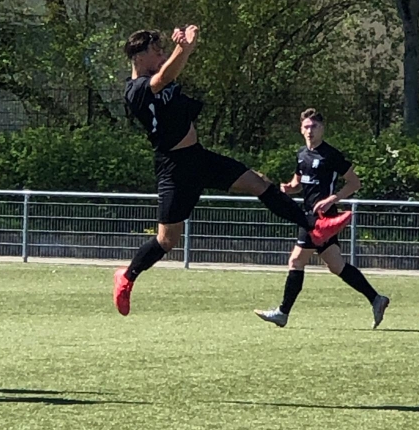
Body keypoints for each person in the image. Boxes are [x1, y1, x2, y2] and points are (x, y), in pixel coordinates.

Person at [113, 26, 351, 315]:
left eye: (163, 50)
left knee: (258, 182)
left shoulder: (159, 74)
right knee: (167, 240)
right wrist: (183, 48)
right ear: (138, 57)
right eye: (156, 51)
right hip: (174, 169)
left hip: (199, 158)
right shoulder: (135, 90)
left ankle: (314, 225)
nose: (162, 55)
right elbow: (164, 77)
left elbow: (168, 73)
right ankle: (127, 277)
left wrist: (183, 50)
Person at [253, 108, 390, 329]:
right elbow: (297, 183)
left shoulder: (331, 155)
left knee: (296, 261)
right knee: (336, 265)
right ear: (301, 129)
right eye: (306, 127)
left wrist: (332, 199)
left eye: (314, 126)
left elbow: (355, 183)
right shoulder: (301, 154)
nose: (310, 131)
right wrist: (288, 188)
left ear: (322, 128)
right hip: (307, 216)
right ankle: (376, 299)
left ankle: (282, 313)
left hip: (322, 218)